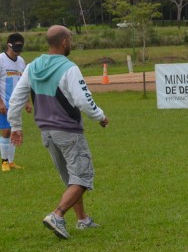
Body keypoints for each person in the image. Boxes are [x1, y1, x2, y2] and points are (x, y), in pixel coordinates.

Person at [7, 25, 108, 239]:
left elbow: (16, 99)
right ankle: (57, 215)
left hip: (47, 132)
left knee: (71, 177)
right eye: (70, 38)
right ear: (64, 42)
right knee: (83, 177)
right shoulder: (68, 68)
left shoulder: (32, 66)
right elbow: (83, 100)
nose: (70, 41)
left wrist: (16, 126)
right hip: (68, 131)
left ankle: (82, 220)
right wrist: (100, 116)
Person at [1, 33, 31, 171]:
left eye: (21, 47)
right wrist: (0, 103)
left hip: (16, 104)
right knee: (6, 131)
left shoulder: (21, 61)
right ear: (9, 45)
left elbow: (24, 83)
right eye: (16, 47)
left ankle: (11, 162)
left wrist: (27, 102)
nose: (18, 50)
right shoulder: (1, 59)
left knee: (15, 131)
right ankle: (4, 162)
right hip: (4, 104)